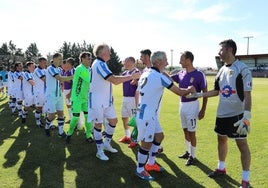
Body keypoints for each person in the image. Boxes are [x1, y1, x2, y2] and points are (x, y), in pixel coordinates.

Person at [187, 39, 252, 188]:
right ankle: (221, 168)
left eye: (221, 49)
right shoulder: (221, 70)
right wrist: (198, 95)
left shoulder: (243, 69)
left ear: (229, 50)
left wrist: (247, 116)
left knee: (242, 144)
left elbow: (248, 95)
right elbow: (217, 91)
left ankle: (245, 180)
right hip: (222, 114)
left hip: (238, 115)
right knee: (221, 140)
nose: (218, 52)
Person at [135, 51, 195, 181]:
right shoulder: (159, 76)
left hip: (146, 112)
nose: (167, 62)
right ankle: (140, 169)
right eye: (166, 59)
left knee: (160, 136)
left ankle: (150, 163)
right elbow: (180, 92)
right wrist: (190, 89)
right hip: (147, 115)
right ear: (158, 62)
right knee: (146, 143)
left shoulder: (147, 72)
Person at [87, 43, 140, 161]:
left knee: (113, 121)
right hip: (97, 101)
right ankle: (99, 151)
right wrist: (132, 76)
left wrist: (109, 96)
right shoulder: (99, 64)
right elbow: (114, 80)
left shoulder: (103, 64)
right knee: (98, 125)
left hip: (106, 100)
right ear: (102, 53)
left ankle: (106, 144)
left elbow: (108, 81)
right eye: (109, 51)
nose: (110, 53)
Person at [171, 51, 207, 166]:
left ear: (188, 60)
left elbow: (205, 93)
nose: (179, 61)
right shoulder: (181, 73)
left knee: (192, 133)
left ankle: (193, 156)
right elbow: (170, 79)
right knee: (185, 130)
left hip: (192, 106)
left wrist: (203, 110)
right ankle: (188, 152)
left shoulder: (199, 74)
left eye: (181, 59)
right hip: (182, 105)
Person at [66, 52, 94, 144]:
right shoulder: (79, 69)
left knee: (88, 117)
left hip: (86, 98)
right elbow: (90, 79)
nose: (90, 60)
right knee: (75, 117)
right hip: (77, 98)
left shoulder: (89, 69)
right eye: (88, 58)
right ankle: (69, 133)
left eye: (90, 59)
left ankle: (88, 135)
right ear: (82, 59)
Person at [44, 52, 73, 137]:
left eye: (62, 59)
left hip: (59, 95)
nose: (61, 61)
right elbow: (59, 78)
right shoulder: (50, 68)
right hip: (51, 95)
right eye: (60, 59)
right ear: (55, 59)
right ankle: (47, 127)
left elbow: (64, 80)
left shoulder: (60, 69)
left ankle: (61, 132)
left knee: (61, 114)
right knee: (52, 115)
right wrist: (73, 77)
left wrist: (74, 78)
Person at [118, 57, 140, 146]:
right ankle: (127, 136)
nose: (124, 63)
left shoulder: (137, 73)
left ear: (132, 62)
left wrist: (136, 82)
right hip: (125, 98)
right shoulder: (124, 73)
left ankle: (135, 139)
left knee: (135, 120)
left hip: (133, 99)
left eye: (126, 62)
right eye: (124, 61)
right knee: (124, 117)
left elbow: (141, 86)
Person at [33, 57, 47, 128]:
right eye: (44, 63)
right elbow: (44, 79)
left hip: (44, 92)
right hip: (39, 92)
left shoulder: (44, 70)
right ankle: (38, 123)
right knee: (39, 108)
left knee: (46, 107)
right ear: (40, 62)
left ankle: (46, 123)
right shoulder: (37, 70)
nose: (45, 64)